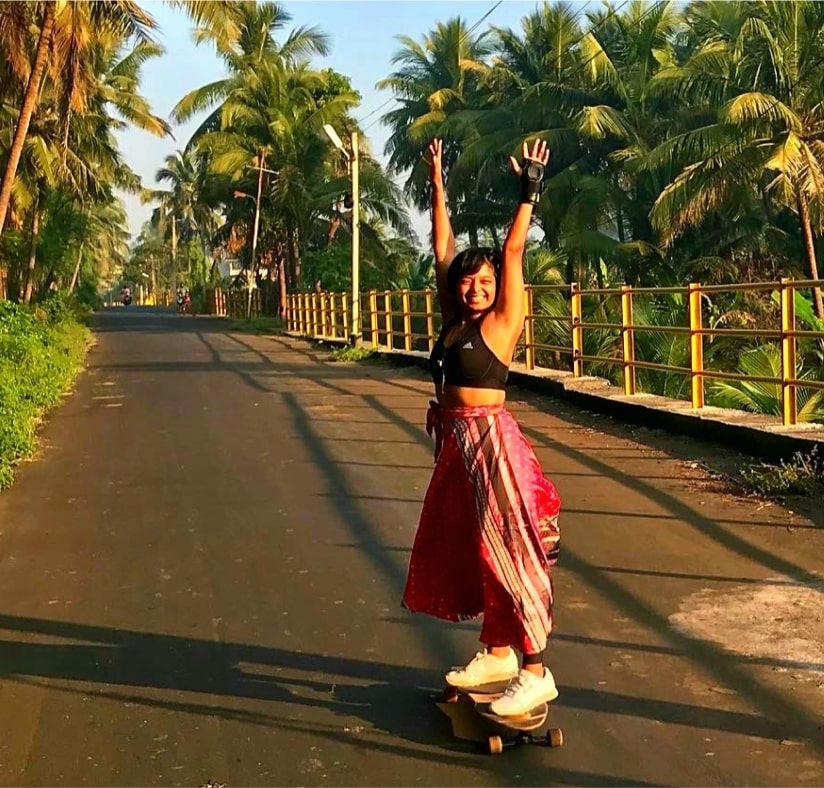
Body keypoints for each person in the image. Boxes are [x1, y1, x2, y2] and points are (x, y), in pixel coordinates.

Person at [403, 137, 562, 717]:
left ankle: (536, 670)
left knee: (510, 552)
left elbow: (513, 251)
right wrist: (438, 184)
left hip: (492, 445)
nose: (476, 287)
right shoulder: (452, 322)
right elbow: (442, 245)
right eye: (468, 281)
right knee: (477, 550)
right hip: (458, 449)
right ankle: (497, 653)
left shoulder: (500, 324)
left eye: (485, 281)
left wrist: (529, 192)